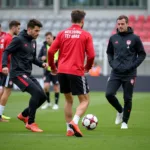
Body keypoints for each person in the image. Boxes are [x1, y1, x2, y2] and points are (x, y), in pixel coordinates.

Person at [48, 10, 95, 137]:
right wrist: (87, 67)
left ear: (71, 20)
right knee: (85, 100)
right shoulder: (86, 35)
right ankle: (74, 122)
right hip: (76, 71)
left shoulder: (62, 33)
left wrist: (53, 67)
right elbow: (91, 55)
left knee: (68, 100)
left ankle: (69, 129)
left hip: (62, 71)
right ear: (82, 21)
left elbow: (51, 51)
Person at [2, 19, 48, 132]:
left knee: (43, 96)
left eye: (39, 31)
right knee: (36, 93)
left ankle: (23, 115)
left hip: (27, 73)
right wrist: (4, 65)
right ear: (29, 29)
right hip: (17, 73)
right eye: (36, 31)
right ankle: (30, 122)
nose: (38, 33)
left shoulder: (33, 41)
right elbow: (6, 51)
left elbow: (32, 58)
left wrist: (42, 64)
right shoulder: (18, 39)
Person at [105, 15, 146, 129]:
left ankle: (125, 122)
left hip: (129, 74)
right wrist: (112, 63)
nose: (120, 26)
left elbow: (142, 54)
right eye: (118, 24)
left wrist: (133, 66)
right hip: (116, 72)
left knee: (127, 98)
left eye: (122, 24)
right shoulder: (113, 38)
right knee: (108, 94)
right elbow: (109, 53)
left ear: (127, 24)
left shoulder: (135, 38)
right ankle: (120, 110)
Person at [0, 20, 21, 122]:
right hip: (7, 68)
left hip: (1, 67)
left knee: (3, 90)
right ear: (13, 28)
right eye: (18, 28)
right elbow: (8, 55)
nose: (19, 30)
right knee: (6, 91)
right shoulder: (9, 38)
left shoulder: (3, 37)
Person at [38, 32, 60, 110]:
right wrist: (41, 58)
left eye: (49, 38)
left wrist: (57, 61)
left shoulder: (58, 46)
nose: (47, 40)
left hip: (56, 71)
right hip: (47, 71)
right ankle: (48, 102)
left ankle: (56, 104)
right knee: (46, 87)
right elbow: (38, 57)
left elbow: (62, 56)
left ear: (52, 38)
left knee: (56, 87)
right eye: (46, 38)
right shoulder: (44, 47)